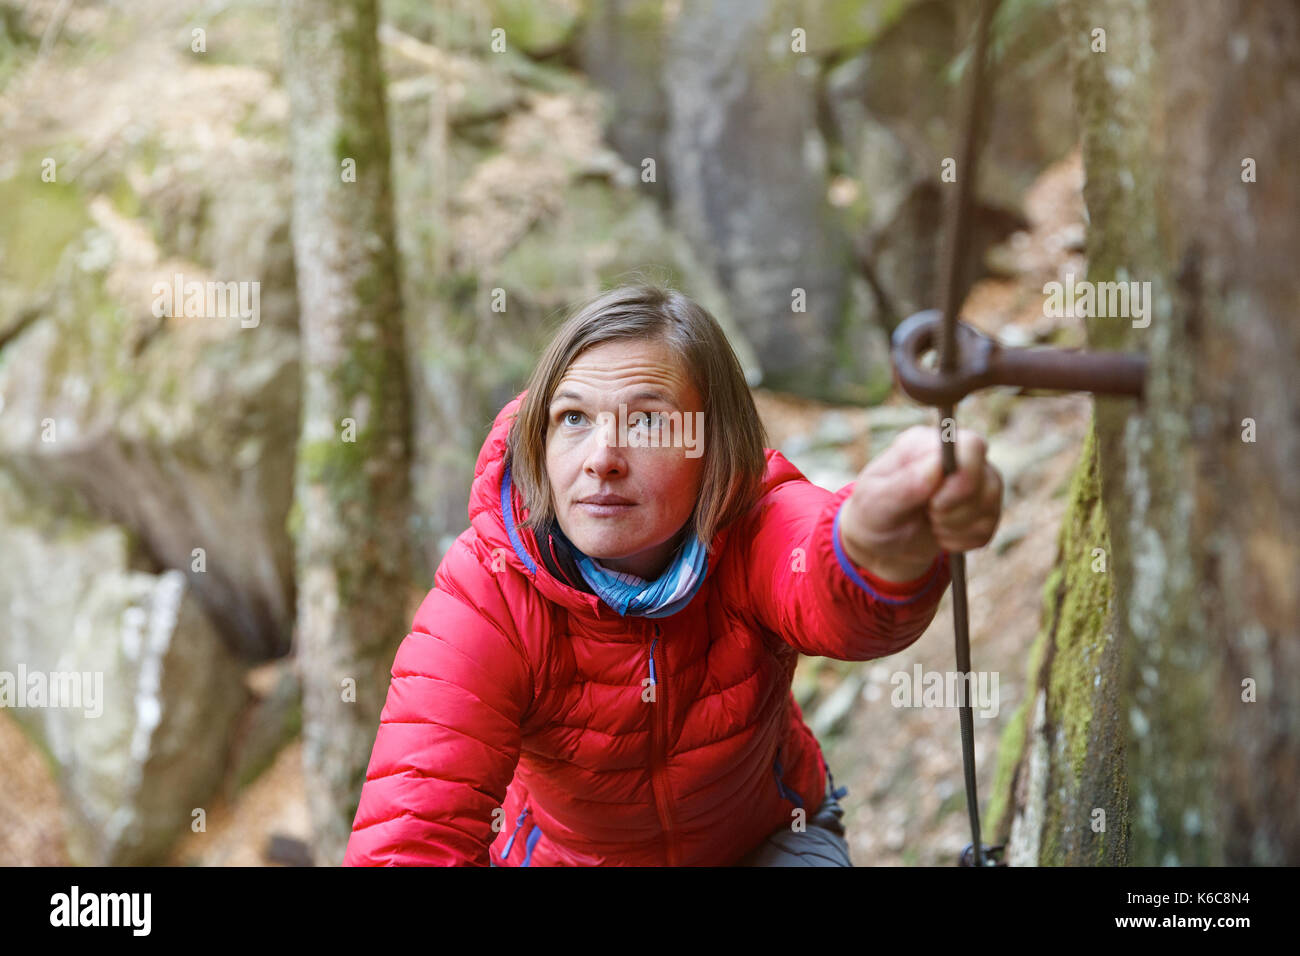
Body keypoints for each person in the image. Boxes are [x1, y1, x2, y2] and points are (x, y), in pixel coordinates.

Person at [343, 282, 1003, 866]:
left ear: (713, 448)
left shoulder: (750, 525)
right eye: (573, 418)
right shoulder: (491, 587)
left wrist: (876, 546)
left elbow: (826, 579)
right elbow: (413, 827)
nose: (602, 457)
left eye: (649, 421)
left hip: (765, 840)